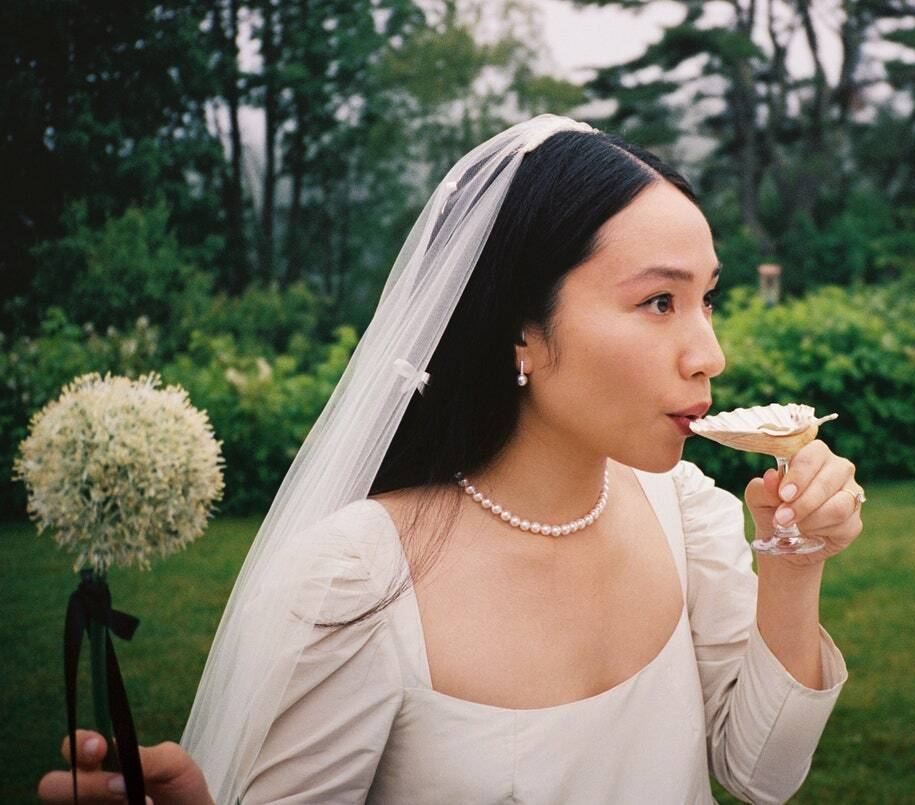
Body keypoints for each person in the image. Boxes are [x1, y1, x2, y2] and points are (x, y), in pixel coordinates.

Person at [39, 115, 864, 804]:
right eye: (658, 301)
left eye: (705, 298)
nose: (708, 353)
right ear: (520, 330)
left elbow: (759, 774)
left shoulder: (681, 508)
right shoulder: (360, 580)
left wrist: (792, 561)